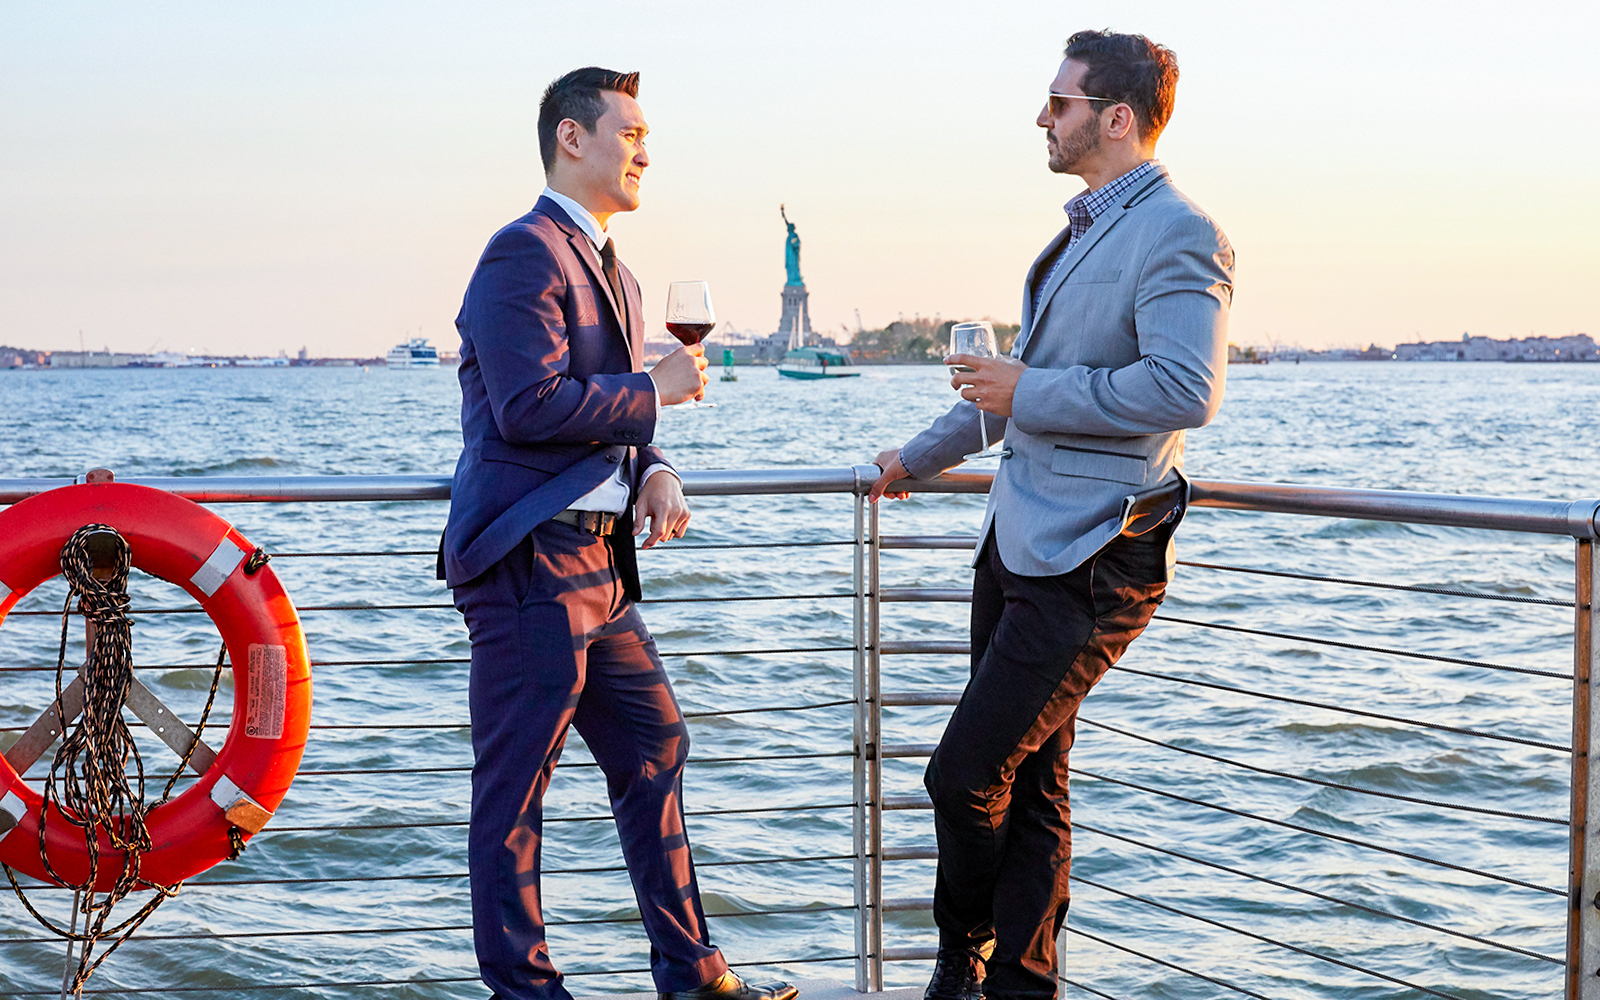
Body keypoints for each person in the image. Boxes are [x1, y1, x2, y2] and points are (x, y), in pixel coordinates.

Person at [867, 31, 1235, 1000]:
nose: (1042, 116)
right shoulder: (1082, 230)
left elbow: (1185, 388)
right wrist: (917, 456)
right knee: (1031, 783)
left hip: (1096, 553)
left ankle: (963, 955)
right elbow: (1017, 386)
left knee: (961, 775)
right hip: (1019, 542)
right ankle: (1023, 986)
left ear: (1115, 119)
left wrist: (1026, 387)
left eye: (1059, 102)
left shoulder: (1180, 231)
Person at [441, 66, 799, 1000]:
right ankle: (528, 992)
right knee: (516, 792)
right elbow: (527, 406)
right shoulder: (521, 251)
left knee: (655, 744)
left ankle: (694, 978)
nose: (646, 153)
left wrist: (657, 466)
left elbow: (612, 426)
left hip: (601, 563)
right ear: (572, 138)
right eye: (630, 134)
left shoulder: (621, 273)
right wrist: (654, 391)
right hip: (529, 560)